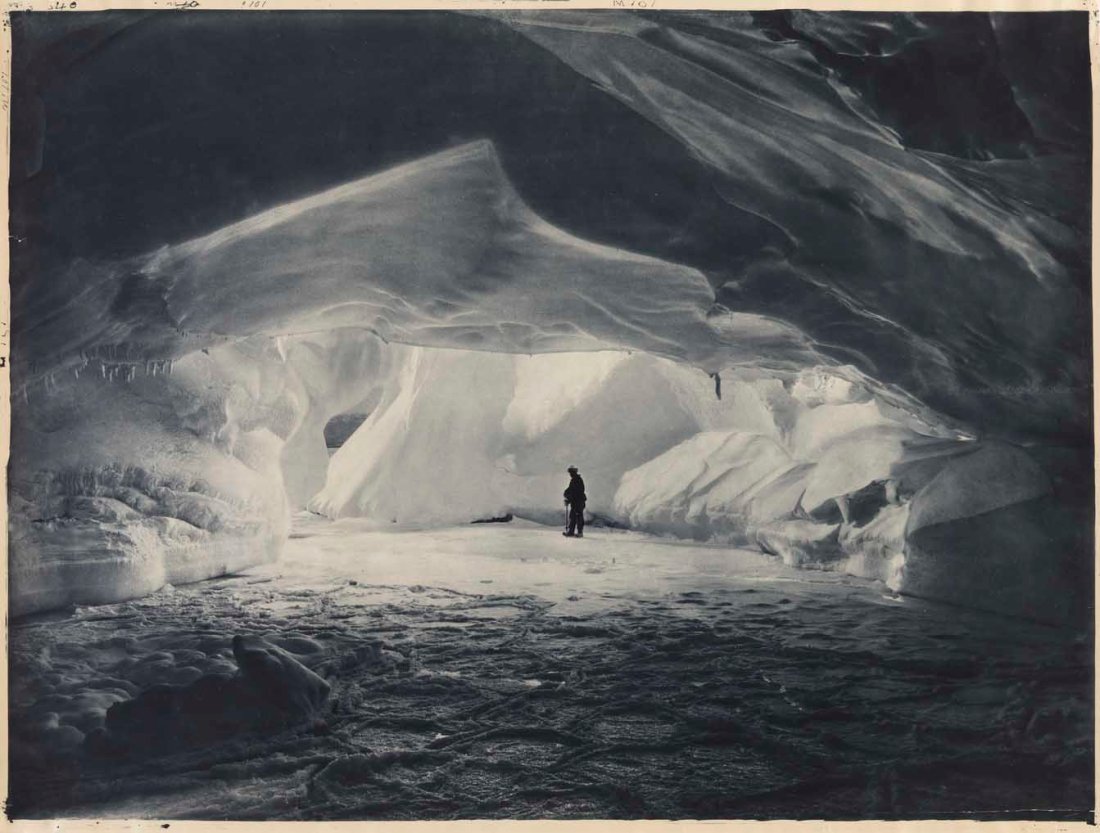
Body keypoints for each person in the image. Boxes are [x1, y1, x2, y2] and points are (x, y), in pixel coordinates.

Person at [562, 465, 586, 538]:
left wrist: (568, 499)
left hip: (578, 502)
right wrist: (567, 495)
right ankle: (571, 531)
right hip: (576, 502)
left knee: (578, 516)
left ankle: (579, 532)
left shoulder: (577, 480)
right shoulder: (575, 480)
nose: (570, 474)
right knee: (573, 516)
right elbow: (570, 490)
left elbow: (575, 492)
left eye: (571, 472)